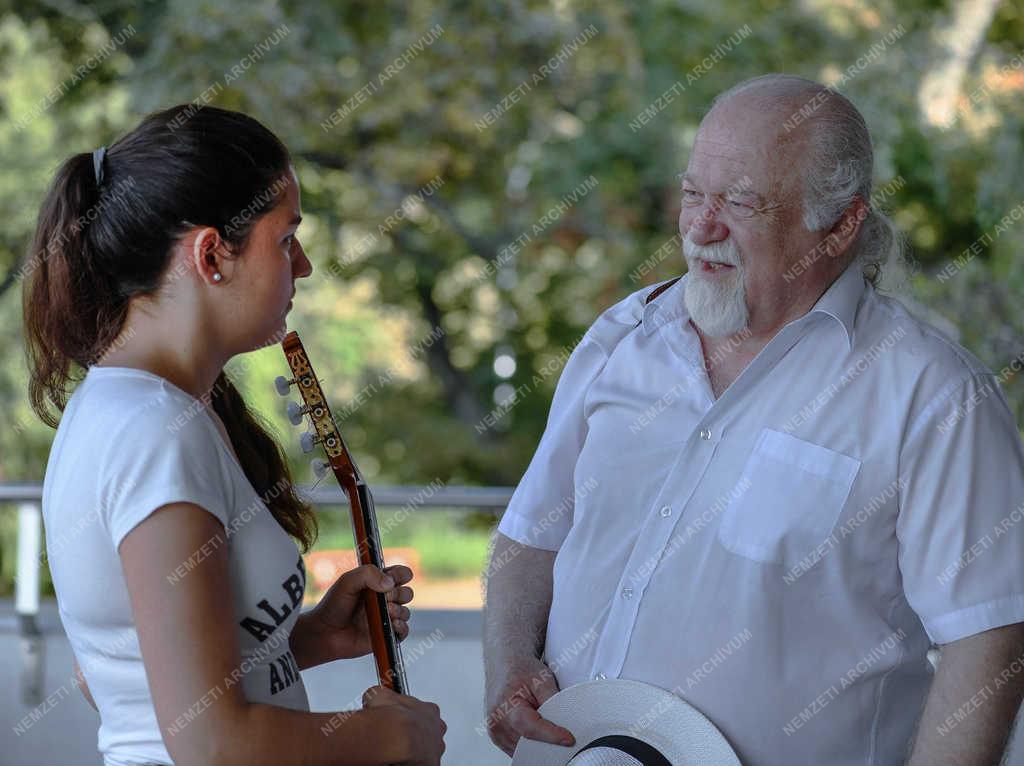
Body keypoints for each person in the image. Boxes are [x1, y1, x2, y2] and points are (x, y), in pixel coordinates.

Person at [483, 74, 1024, 765]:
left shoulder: (933, 394)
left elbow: (990, 637)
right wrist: (508, 662)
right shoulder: (621, 339)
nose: (701, 227)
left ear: (839, 225)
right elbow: (532, 537)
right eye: (692, 194)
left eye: (740, 202)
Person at [23, 104, 446, 766]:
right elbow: (212, 744)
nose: (302, 266)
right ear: (212, 255)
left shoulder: (151, 411)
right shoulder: (153, 432)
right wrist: (392, 736)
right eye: (286, 240)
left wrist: (306, 640)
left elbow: (123, 677)